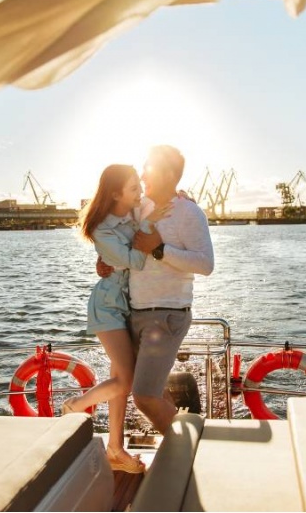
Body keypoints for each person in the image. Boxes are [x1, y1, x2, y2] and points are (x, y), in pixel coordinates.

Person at [63, 164, 170, 473]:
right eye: (134, 187)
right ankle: (74, 406)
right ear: (115, 193)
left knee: (122, 382)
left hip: (129, 306)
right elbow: (137, 261)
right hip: (108, 306)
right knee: (126, 380)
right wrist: (149, 226)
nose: (140, 191)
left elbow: (156, 206)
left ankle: (115, 448)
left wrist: (179, 197)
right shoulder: (103, 229)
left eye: (139, 185)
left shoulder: (132, 214)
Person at [101, 145, 214, 434]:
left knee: (145, 396)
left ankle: (185, 455)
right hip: (135, 312)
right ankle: (179, 448)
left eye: (148, 167)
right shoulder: (139, 209)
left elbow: (206, 264)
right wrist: (105, 263)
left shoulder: (189, 212)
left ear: (167, 174)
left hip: (166, 316)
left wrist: (160, 249)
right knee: (156, 392)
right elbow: (121, 242)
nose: (142, 174)